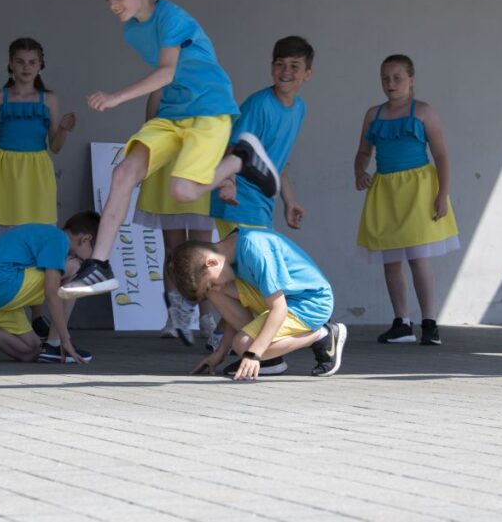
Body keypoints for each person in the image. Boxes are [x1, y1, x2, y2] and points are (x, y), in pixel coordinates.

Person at [60, 0, 279, 298]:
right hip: (174, 113)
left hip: (208, 108)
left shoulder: (171, 17)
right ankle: (99, 265)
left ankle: (241, 159)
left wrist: (116, 97)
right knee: (123, 174)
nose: (112, 4)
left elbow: (166, 72)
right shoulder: (133, 31)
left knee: (183, 191)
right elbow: (170, 79)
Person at [0, 38, 75, 335]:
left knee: (36, 240)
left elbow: (55, 146)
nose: (26, 67)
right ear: (10, 64)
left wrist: (64, 129)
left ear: (41, 65)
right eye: (20, 62)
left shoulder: (49, 99)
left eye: (32, 62)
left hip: (36, 173)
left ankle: (37, 313)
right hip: (2, 170)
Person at [354, 54, 459, 346]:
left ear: (411, 80)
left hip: (417, 190)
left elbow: (441, 155)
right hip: (385, 191)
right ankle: (402, 322)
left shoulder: (424, 112)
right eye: (385, 78)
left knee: (418, 258)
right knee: (390, 261)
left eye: (397, 78)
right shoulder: (373, 114)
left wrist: (442, 194)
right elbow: (363, 152)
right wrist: (359, 172)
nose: (391, 83)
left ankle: (429, 322)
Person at [170, 228, 346, 380]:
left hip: (309, 303)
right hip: (284, 299)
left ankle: (324, 335)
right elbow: (237, 309)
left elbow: (279, 309)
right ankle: (270, 360)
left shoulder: (255, 250)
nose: (216, 287)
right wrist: (220, 353)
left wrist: (253, 354)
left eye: (211, 282)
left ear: (211, 262)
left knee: (243, 344)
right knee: (215, 294)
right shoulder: (229, 252)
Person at [0, 211, 100, 365]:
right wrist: (65, 339)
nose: (90, 259)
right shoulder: (59, 239)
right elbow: (51, 292)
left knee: (32, 351)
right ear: (86, 239)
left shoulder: (48, 237)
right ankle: (55, 343)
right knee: (76, 268)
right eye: (94, 254)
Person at [210, 35, 313, 239]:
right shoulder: (259, 105)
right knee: (239, 259)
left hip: (262, 204)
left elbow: (275, 162)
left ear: (307, 74)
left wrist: (289, 201)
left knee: (241, 260)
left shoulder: (299, 109)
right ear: (272, 67)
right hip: (239, 202)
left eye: (294, 66)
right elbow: (232, 151)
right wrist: (228, 183)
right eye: (280, 64)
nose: (286, 71)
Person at [134, 161, 218, 346]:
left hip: (201, 163)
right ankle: (174, 316)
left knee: (202, 251)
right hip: (170, 167)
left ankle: (206, 316)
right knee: (173, 249)